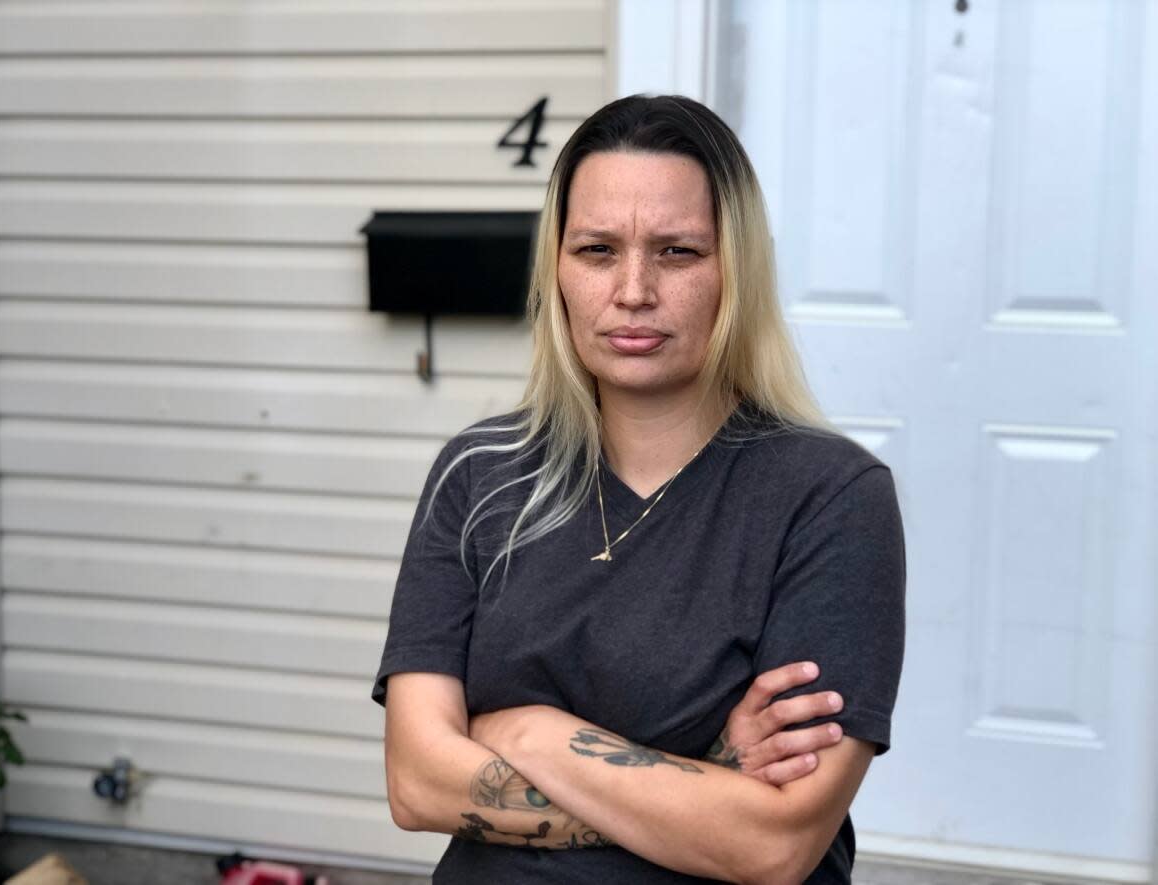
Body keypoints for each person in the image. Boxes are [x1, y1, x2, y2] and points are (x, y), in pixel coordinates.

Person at [371, 94, 906, 884]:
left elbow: (775, 844)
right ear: (556, 267)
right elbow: (418, 782)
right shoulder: (479, 474)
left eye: (678, 252)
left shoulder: (829, 497)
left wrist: (531, 734)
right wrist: (709, 778)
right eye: (595, 249)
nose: (632, 290)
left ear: (737, 269)